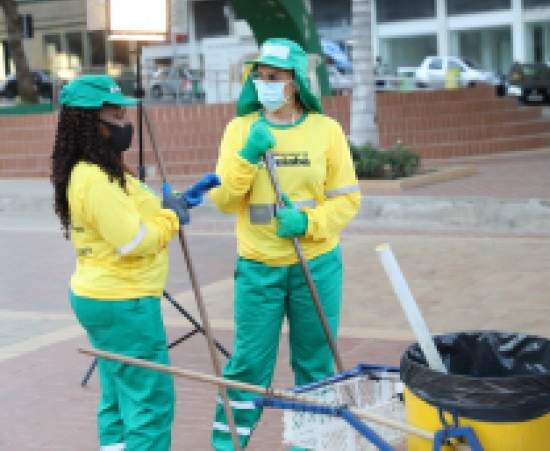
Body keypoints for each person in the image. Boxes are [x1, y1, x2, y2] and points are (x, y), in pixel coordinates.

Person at [50, 74, 220, 451]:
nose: (124, 123)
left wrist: (176, 201)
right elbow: (133, 240)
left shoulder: (104, 169)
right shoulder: (92, 177)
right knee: (150, 402)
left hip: (107, 299)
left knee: (118, 393)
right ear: (90, 122)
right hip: (122, 303)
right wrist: (172, 218)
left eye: (124, 113)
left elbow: (140, 211)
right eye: (115, 115)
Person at [208, 38, 361, 449]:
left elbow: (348, 199)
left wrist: (308, 221)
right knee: (248, 366)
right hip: (259, 267)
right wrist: (248, 155)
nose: (264, 83)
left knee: (315, 365)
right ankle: (227, 445)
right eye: (258, 76)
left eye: (273, 77)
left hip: (316, 263)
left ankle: (307, 444)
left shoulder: (325, 131)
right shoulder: (240, 130)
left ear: (294, 81)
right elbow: (223, 200)